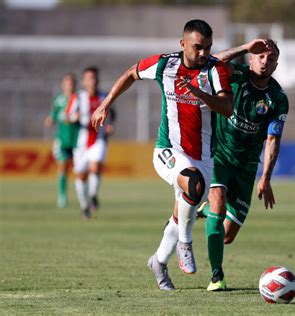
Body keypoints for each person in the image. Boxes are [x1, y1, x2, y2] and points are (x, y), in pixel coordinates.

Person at [90, 19, 240, 290]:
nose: (204, 53)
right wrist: (105, 103)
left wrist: (198, 92)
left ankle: (158, 262)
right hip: (168, 150)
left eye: (208, 48)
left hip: (204, 156)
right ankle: (185, 243)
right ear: (182, 44)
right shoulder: (164, 64)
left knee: (183, 210)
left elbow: (228, 107)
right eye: (198, 47)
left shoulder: (215, 70)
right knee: (193, 187)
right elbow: (130, 74)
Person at [197, 39, 289, 291]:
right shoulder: (235, 75)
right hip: (219, 154)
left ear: (276, 65)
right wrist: (246, 46)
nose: (264, 61)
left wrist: (266, 178)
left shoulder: (278, 98)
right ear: (251, 58)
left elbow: (273, 139)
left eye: (270, 59)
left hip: (247, 166)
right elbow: (213, 61)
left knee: (226, 236)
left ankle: (204, 211)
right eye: (260, 56)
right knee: (218, 204)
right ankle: (217, 276)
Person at [67, 67, 115, 220]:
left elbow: (112, 114)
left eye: (94, 78)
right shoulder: (77, 97)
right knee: (81, 176)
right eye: (88, 78)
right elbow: (67, 116)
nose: (92, 81)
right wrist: (75, 116)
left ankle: (93, 194)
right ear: (83, 81)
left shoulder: (104, 96)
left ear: (98, 80)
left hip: (98, 139)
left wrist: (109, 125)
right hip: (80, 143)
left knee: (96, 166)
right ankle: (84, 206)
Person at [44, 73, 80, 208]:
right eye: (67, 82)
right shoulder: (58, 100)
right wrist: (50, 120)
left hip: (77, 140)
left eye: (72, 82)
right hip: (62, 140)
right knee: (62, 166)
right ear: (63, 85)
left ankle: (82, 194)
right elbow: (52, 117)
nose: (69, 85)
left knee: (81, 170)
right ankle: (62, 195)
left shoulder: (79, 99)